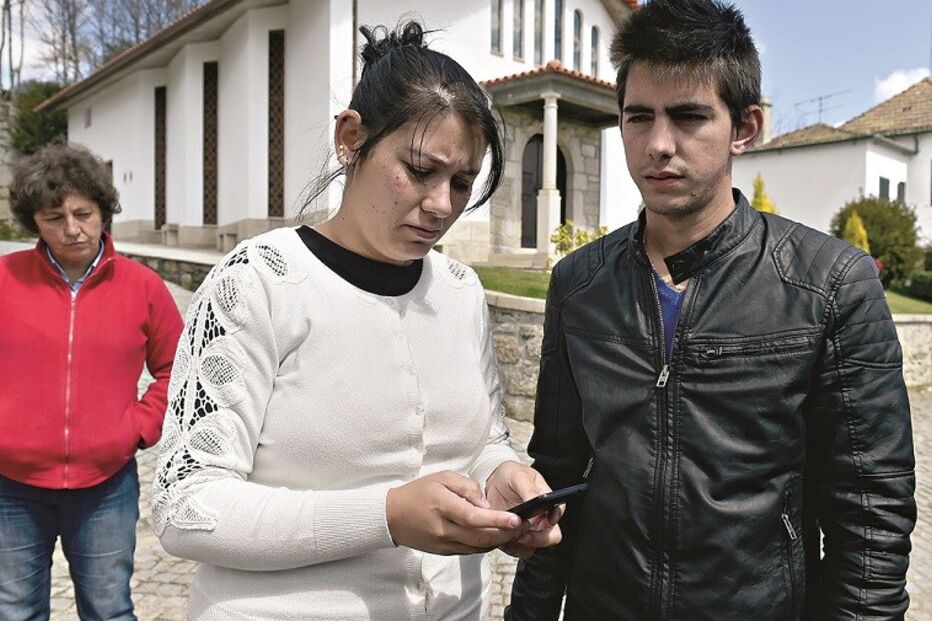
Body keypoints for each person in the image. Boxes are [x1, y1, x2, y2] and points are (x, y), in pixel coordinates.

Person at [508, 0, 916, 619]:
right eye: (638, 117)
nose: (658, 144)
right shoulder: (579, 283)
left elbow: (871, 509)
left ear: (745, 127)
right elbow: (555, 479)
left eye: (690, 116)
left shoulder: (830, 284)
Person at [153, 21, 562, 620]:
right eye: (420, 170)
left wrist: (503, 476)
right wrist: (386, 516)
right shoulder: (260, 281)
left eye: (462, 183)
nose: (442, 205)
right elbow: (185, 507)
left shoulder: (461, 291)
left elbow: (479, 440)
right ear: (351, 138)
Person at [0, 143, 184, 620]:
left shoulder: (143, 286)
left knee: (108, 610)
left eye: (84, 213)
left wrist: (139, 426)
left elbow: (179, 370)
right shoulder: (4, 279)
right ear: (32, 222)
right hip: (11, 486)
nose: (72, 229)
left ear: (104, 210)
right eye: (53, 218)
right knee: (14, 611)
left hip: (106, 487)